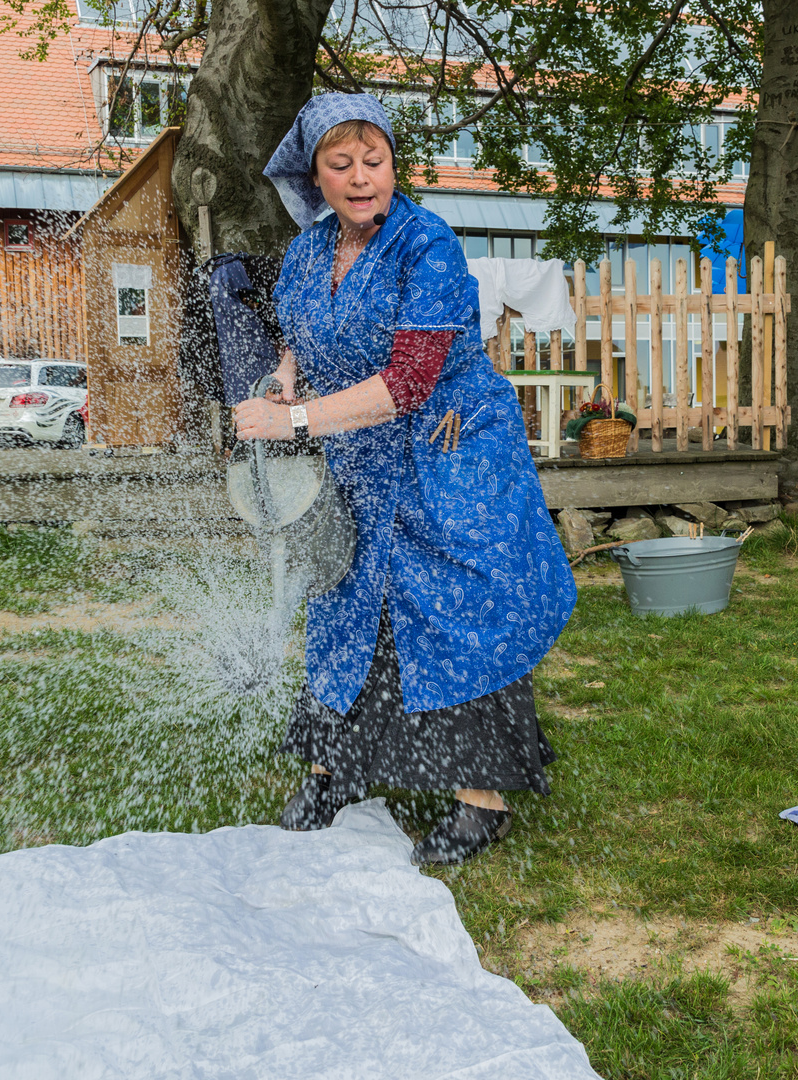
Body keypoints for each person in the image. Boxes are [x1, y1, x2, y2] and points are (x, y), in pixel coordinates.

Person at [234, 93, 576, 864]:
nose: (362, 179)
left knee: (454, 612)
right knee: (348, 602)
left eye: (375, 161)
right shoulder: (307, 251)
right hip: (359, 454)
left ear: (394, 165)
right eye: (341, 165)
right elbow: (300, 337)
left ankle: (480, 802)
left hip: (445, 451)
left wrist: (292, 425)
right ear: (313, 177)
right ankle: (334, 772)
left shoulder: (429, 246)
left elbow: (411, 380)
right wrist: (284, 380)